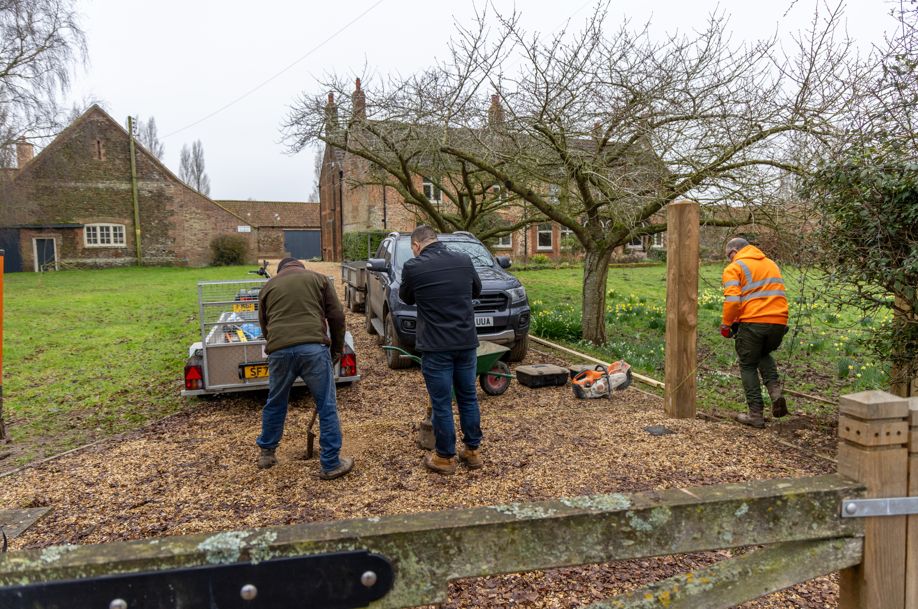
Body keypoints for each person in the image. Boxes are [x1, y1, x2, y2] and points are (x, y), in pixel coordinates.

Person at [255, 257, 354, 479]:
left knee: (276, 401)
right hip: (313, 350)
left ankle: (267, 453)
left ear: (281, 271)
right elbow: (337, 316)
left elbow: (264, 323)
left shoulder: (268, 286)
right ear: (301, 267)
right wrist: (336, 350)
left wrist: (277, 345)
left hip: (279, 351)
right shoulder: (318, 280)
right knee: (326, 404)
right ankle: (330, 463)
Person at [399, 226, 483, 475]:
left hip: (436, 345)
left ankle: (445, 457)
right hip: (466, 341)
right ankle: (472, 451)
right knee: (468, 396)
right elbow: (476, 290)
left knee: (442, 402)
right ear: (436, 239)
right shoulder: (463, 259)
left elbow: (406, 298)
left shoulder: (414, 267)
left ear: (416, 246)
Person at [721, 237, 790, 428]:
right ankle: (775, 394)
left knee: (748, 364)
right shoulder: (771, 264)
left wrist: (727, 325)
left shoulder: (735, 268)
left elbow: (733, 301)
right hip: (779, 322)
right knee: (762, 353)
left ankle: (755, 415)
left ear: (734, 251)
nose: (729, 260)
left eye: (729, 256)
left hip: (754, 323)